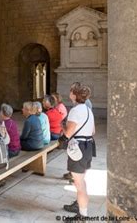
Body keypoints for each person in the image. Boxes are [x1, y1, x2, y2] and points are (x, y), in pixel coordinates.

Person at [62, 84, 95, 221]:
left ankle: (82, 216)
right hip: (88, 147)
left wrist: (62, 127)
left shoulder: (75, 111)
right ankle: (81, 207)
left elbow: (68, 133)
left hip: (79, 148)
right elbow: (93, 132)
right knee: (81, 182)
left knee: (79, 184)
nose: (69, 92)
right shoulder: (88, 110)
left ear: (74, 95)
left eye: (71, 91)